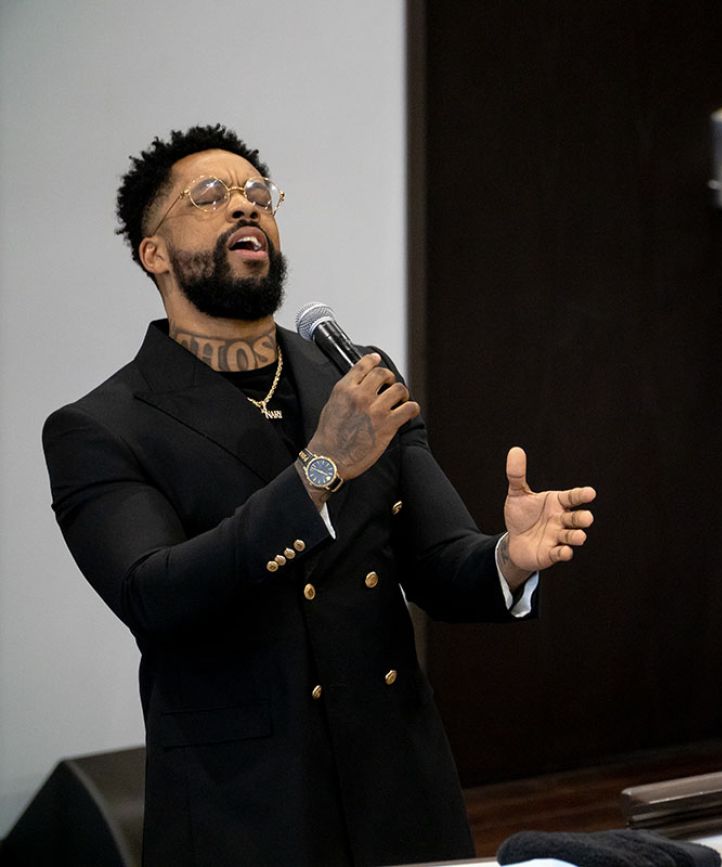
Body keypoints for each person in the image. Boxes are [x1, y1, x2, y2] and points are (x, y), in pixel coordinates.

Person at [41, 124, 597, 866]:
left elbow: (437, 564)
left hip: (400, 786)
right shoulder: (103, 426)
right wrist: (320, 469)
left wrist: (509, 557)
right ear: (154, 253)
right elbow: (157, 594)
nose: (245, 206)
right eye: (210, 196)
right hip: (246, 805)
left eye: (259, 194)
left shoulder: (352, 376)